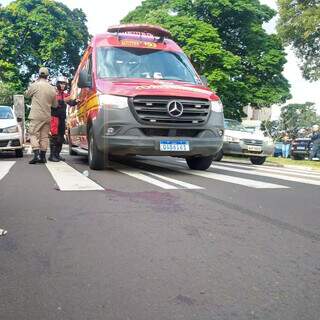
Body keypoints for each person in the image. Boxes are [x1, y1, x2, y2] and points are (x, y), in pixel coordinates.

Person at [25, 67, 57, 164]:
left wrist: (33, 84)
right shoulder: (52, 88)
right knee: (44, 136)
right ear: (47, 76)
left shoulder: (35, 85)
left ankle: (36, 155)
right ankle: (43, 157)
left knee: (33, 134)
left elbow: (26, 95)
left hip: (36, 115)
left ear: (39, 75)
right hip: (47, 115)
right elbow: (55, 105)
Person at [49, 76, 78, 162]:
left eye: (64, 84)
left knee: (61, 137)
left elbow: (70, 102)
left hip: (62, 119)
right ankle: (52, 155)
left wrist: (76, 101)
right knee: (54, 136)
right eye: (61, 83)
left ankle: (57, 154)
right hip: (54, 118)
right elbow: (54, 104)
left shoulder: (64, 94)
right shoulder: (53, 93)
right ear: (57, 84)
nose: (62, 85)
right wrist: (64, 100)